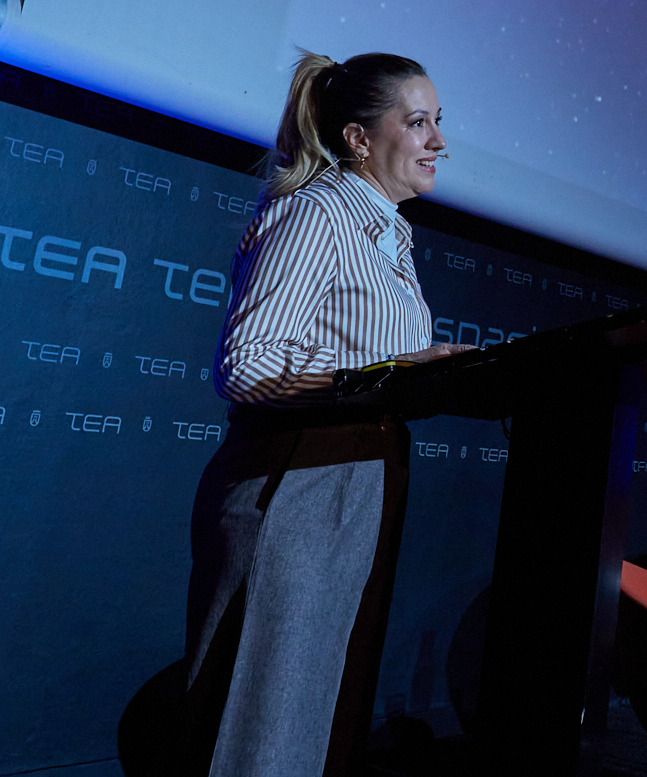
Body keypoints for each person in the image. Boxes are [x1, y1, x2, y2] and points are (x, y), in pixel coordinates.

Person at [181, 52, 473, 777]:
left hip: (355, 485)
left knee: (310, 723)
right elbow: (244, 367)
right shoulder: (316, 213)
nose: (439, 140)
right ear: (359, 138)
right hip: (295, 487)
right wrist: (393, 374)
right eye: (417, 122)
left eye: (439, 122)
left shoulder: (387, 234)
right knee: (261, 729)